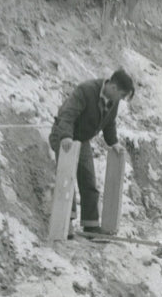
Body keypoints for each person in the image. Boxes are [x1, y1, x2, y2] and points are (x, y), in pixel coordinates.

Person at [49, 68, 134, 238]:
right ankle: (66, 223)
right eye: (122, 95)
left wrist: (114, 142)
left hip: (82, 139)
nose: (121, 100)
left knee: (88, 180)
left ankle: (91, 225)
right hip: (64, 136)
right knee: (67, 179)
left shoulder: (113, 101)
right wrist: (66, 136)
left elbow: (109, 123)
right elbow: (67, 114)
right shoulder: (86, 90)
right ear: (114, 88)